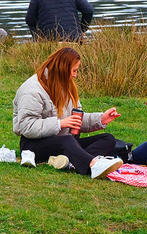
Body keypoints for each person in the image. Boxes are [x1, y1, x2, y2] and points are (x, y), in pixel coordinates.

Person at [12, 47, 125, 179]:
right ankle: (93, 165)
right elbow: (26, 127)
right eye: (74, 70)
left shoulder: (66, 85)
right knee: (67, 140)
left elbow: (75, 119)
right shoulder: (32, 90)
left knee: (108, 139)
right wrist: (60, 124)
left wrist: (101, 119)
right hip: (33, 145)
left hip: (65, 142)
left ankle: (72, 162)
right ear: (63, 69)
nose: (75, 75)